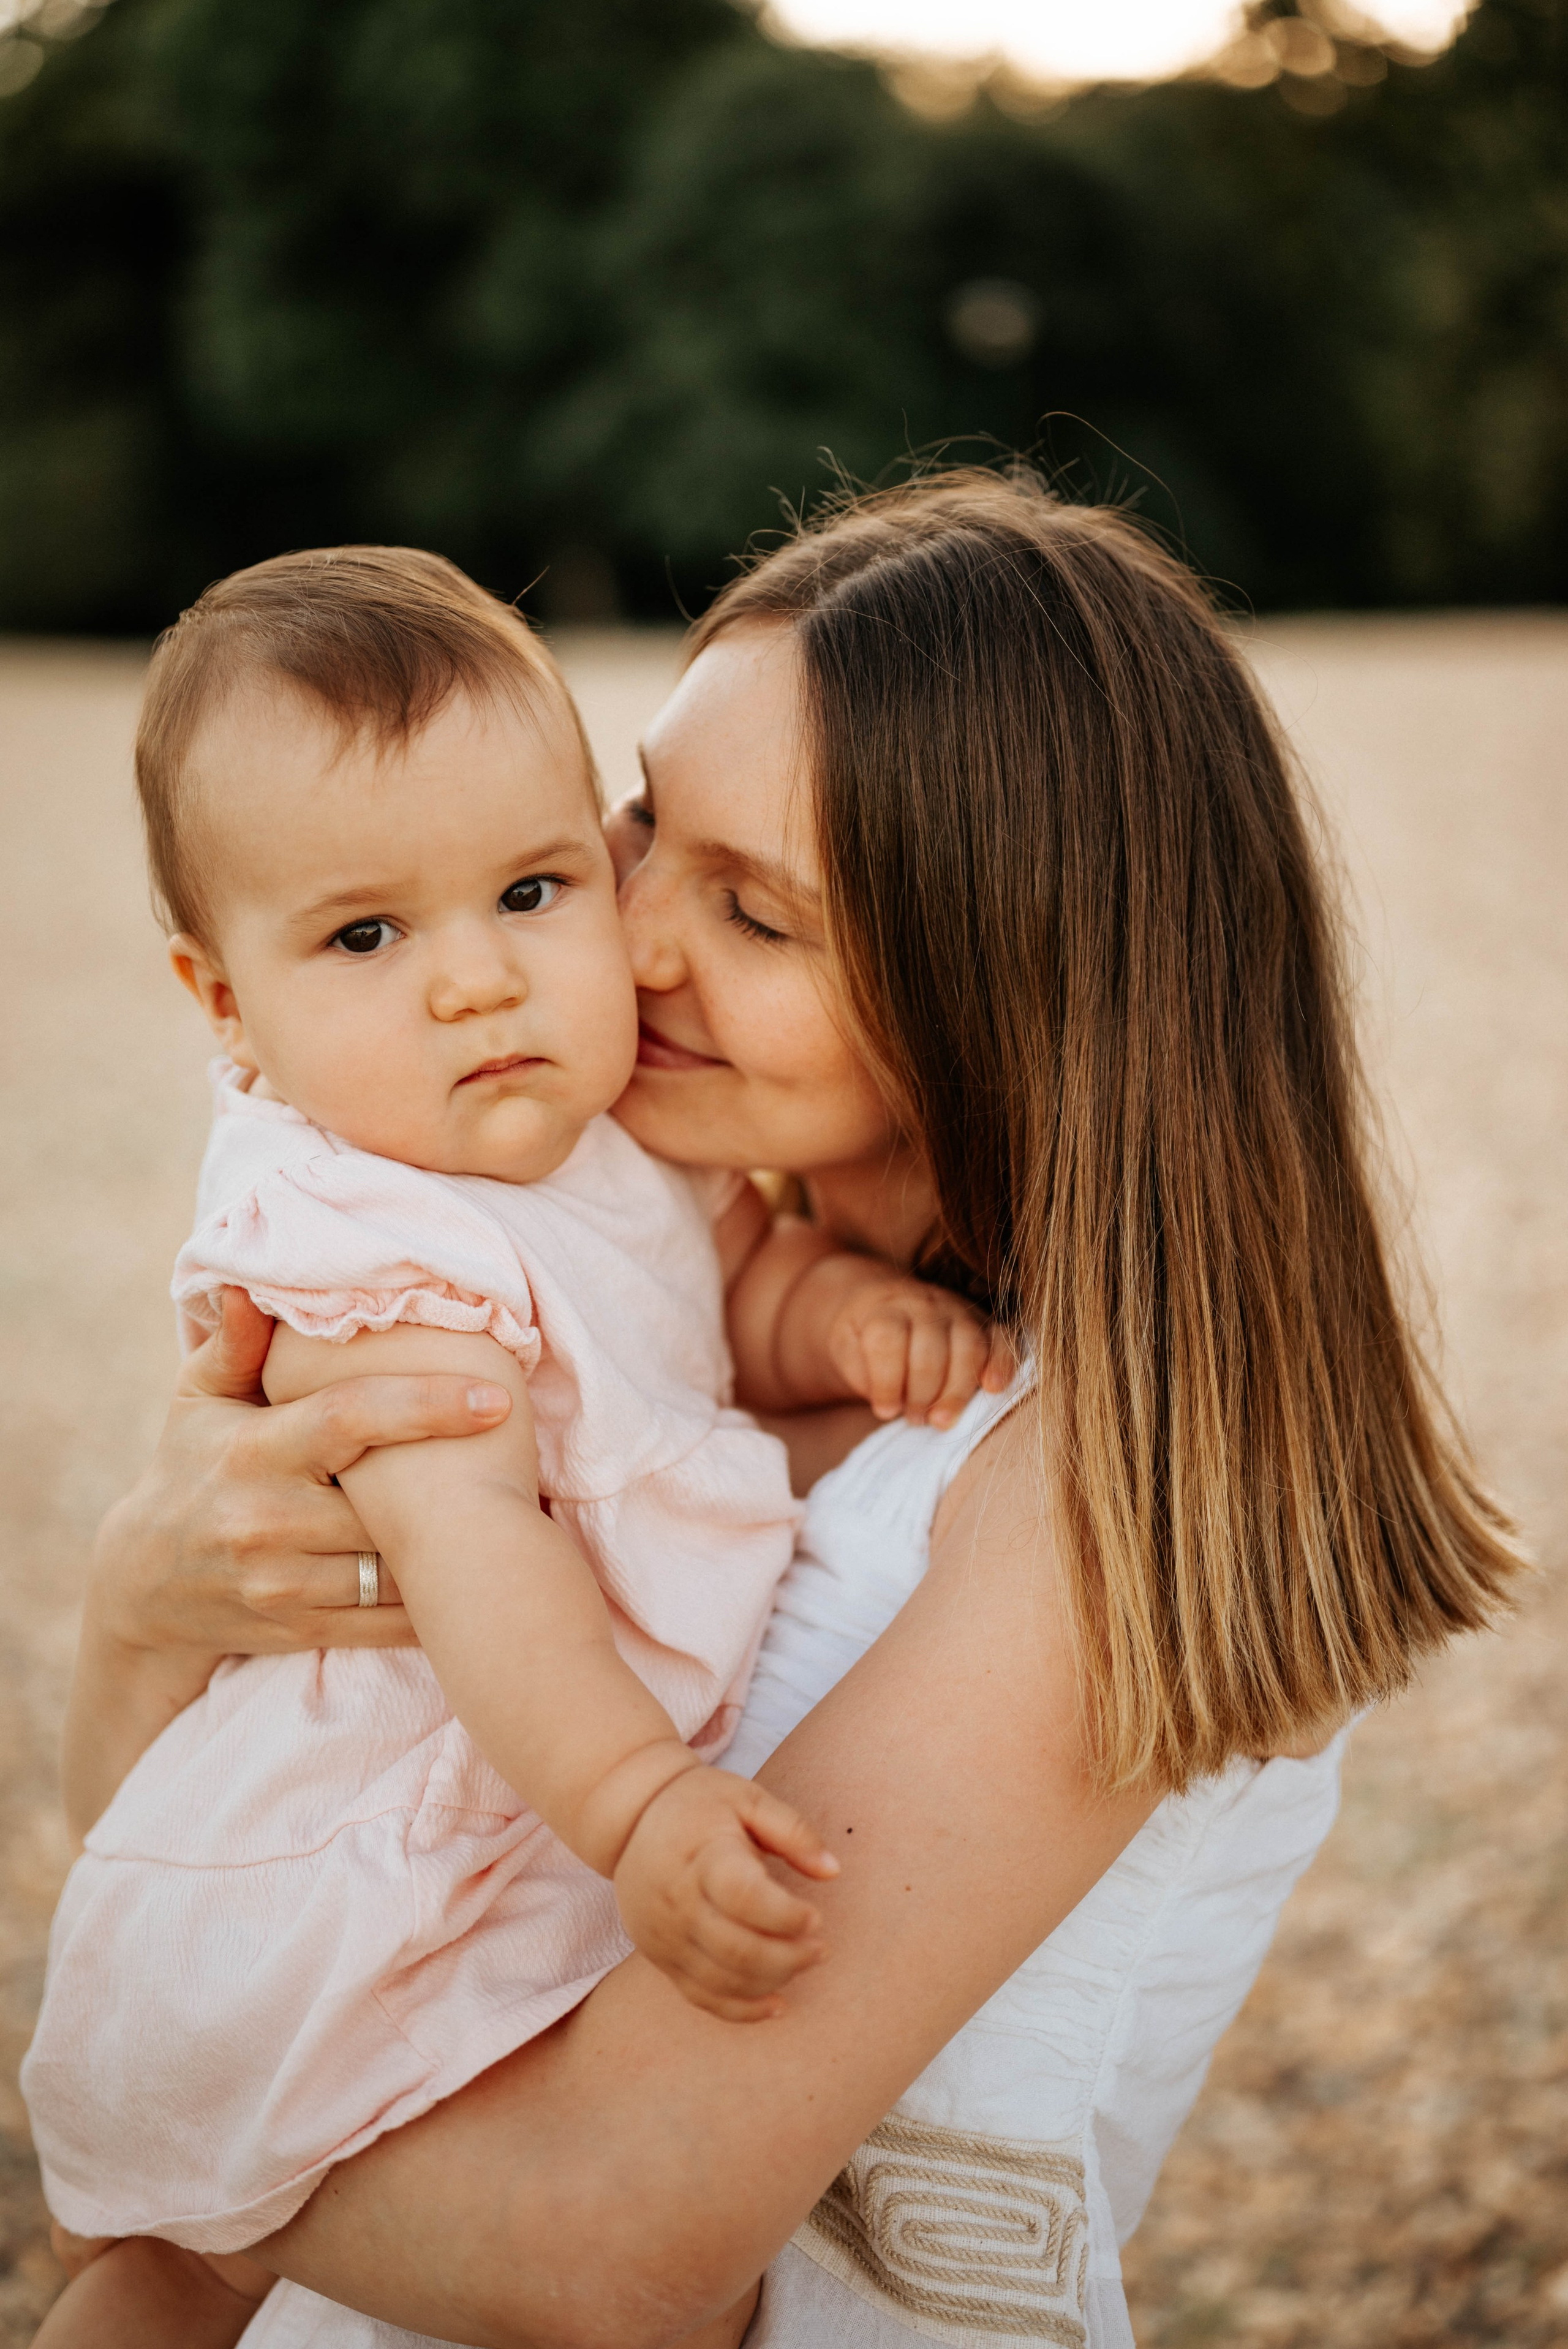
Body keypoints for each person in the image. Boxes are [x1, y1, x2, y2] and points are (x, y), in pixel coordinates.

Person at [55, 471, 1520, 2349]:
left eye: (752, 912)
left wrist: (160, 2158)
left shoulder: (1092, 1486)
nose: (621, 935)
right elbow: (197, 1818)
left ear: (1005, 994)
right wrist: (136, 1605)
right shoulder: (627, 1273)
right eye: (642, 822)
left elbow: (609, 2244)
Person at [24, 545, 1009, 2347]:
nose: (481, 980)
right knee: (184, 2266)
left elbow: (727, 1286)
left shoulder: (606, 1134)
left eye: (537, 884)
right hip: (391, 1841)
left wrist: (842, 1327)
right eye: (367, 934)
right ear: (224, 1005)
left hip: (520, 1822)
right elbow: (479, 1553)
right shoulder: (373, 1249)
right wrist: (639, 1805)